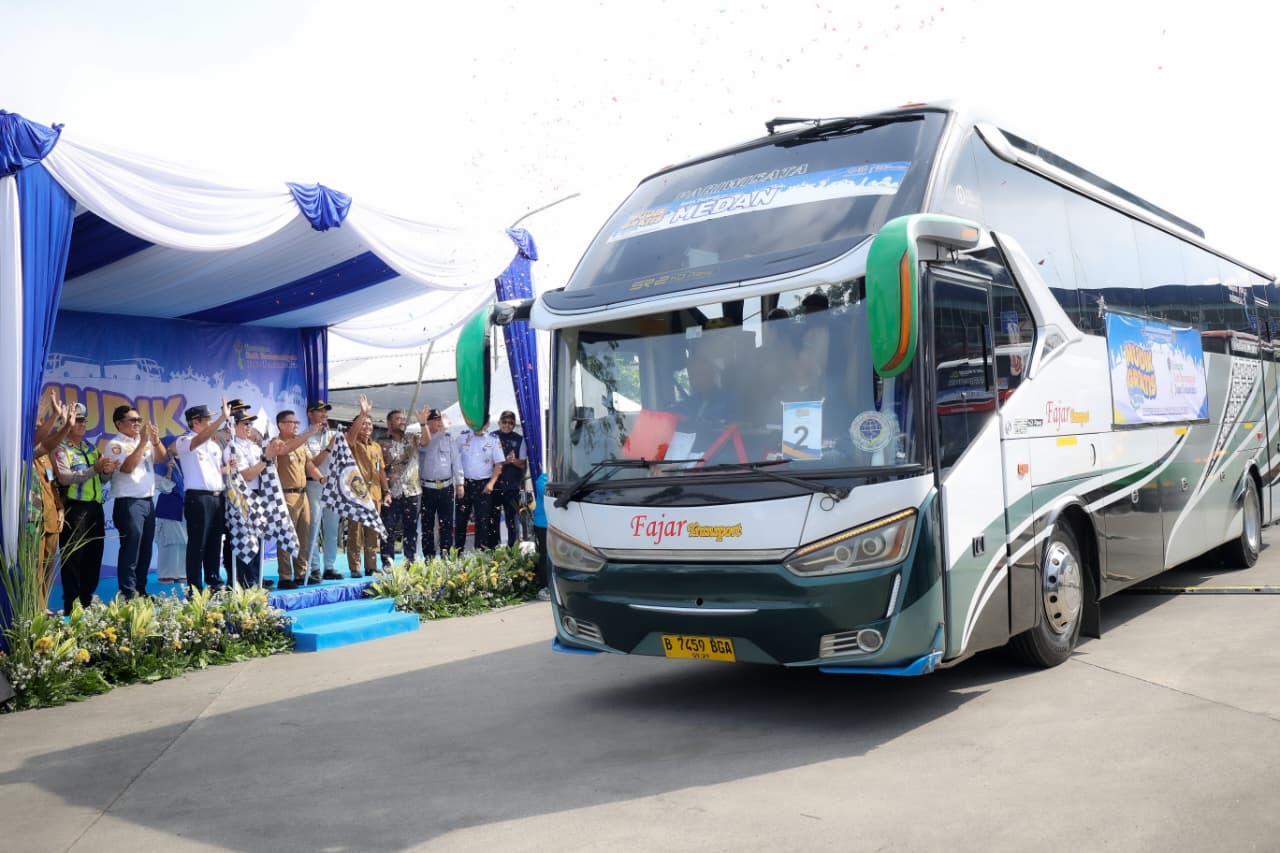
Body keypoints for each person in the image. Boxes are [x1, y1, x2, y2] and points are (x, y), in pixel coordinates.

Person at [53, 402, 116, 613]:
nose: (82, 425)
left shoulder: (91, 447)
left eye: (84, 421)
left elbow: (103, 479)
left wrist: (107, 470)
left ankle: (87, 601)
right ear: (67, 423)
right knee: (73, 558)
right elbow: (64, 477)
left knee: (94, 556)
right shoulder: (61, 448)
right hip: (75, 508)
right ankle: (71, 605)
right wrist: (93, 469)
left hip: (95, 509)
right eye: (77, 421)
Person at [99, 404, 167, 600]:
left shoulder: (144, 441)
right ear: (119, 423)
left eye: (139, 420)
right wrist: (142, 442)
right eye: (133, 420)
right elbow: (127, 468)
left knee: (145, 550)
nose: (138, 424)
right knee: (131, 549)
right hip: (128, 503)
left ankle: (141, 590)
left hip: (147, 501)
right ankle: (128, 593)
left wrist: (155, 440)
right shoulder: (115, 445)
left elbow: (161, 458)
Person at [173, 401, 231, 592]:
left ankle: (214, 581)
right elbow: (199, 440)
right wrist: (222, 419)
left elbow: (214, 470)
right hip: (198, 499)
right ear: (195, 422)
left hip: (217, 496)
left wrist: (230, 468)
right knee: (198, 544)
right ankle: (195, 587)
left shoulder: (214, 445)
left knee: (215, 542)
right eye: (208, 420)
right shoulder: (185, 441)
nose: (211, 423)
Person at [267, 409, 325, 589]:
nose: (296, 426)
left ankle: (301, 572)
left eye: (297, 423)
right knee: (285, 535)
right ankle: (285, 576)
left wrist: (322, 478)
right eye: (292, 423)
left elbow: (309, 465)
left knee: (304, 535)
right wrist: (309, 433)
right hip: (285, 494)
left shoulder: (300, 444)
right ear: (281, 425)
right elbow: (285, 450)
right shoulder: (276, 442)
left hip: (302, 494)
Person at [224, 409, 278, 587]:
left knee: (258, 539)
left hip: (257, 495)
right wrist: (265, 459)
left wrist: (270, 456)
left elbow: (267, 471)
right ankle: (244, 582)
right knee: (244, 541)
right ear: (234, 426)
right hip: (241, 498)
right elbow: (247, 475)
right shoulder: (232, 448)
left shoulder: (254, 447)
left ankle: (255, 578)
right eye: (244, 423)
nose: (249, 427)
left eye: (250, 424)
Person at [31, 390, 72, 607]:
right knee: (34, 567)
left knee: (47, 567)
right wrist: (56, 418)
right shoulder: (22, 450)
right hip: (32, 519)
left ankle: (43, 607)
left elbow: (53, 484)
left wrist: (60, 509)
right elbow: (43, 442)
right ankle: (33, 611)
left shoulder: (46, 456)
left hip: (51, 517)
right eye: (37, 426)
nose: (41, 429)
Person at [345, 395, 389, 577]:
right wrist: (363, 414)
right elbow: (351, 436)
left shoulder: (376, 446)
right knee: (355, 533)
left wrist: (386, 491)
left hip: (375, 493)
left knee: (373, 531)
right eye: (364, 423)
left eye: (369, 424)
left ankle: (371, 565)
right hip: (357, 494)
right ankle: (355, 567)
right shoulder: (353, 443)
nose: (367, 427)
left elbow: (381, 471)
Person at [303, 400, 344, 581]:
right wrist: (329, 447)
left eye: (325, 411)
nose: (324, 414)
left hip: (333, 486)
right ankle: (313, 568)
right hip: (313, 485)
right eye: (319, 411)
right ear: (310, 414)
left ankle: (329, 566)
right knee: (314, 528)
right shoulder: (304, 436)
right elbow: (311, 464)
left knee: (332, 528)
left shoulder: (334, 434)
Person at [378, 408, 422, 567]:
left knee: (411, 530)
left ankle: (410, 561)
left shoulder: (413, 438)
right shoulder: (381, 443)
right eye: (398, 419)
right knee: (387, 530)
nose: (402, 421)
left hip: (412, 491)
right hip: (391, 492)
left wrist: (423, 423)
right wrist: (385, 491)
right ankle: (387, 564)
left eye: (404, 419)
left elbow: (426, 442)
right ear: (389, 422)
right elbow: (380, 469)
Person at [416, 406, 461, 559]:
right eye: (435, 420)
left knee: (446, 524)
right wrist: (440, 431)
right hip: (428, 488)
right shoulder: (423, 438)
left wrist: (460, 483)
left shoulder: (449, 438)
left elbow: (456, 461)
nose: (438, 423)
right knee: (427, 525)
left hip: (447, 487)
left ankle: (446, 555)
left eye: (439, 419)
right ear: (427, 423)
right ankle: (428, 556)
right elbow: (428, 446)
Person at [454, 416, 503, 551]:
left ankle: (479, 554)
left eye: (484, 423)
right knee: (460, 520)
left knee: (483, 521)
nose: (481, 425)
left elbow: (499, 464)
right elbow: (452, 456)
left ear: (487, 424)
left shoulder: (493, 440)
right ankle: (457, 553)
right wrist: (458, 482)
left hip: (484, 485)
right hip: (465, 484)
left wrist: (492, 483)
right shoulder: (463, 437)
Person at [489, 410, 527, 548]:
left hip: (512, 487)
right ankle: (494, 550)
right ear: (499, 422)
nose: (507, 425)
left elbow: (522, 463)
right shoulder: (491, 437)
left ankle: (514, 551)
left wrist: (512, 461)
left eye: (511, 422)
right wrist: (503, 461)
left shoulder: (519, 439)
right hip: (494, 486)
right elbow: (487, 460)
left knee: (513, 522)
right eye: (504, 422)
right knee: (492, 521)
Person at [154, 434, 187, 583]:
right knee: (169, 541)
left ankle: (181, 572)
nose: (178, 446)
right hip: (168, 507)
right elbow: (164, 487)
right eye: (175, 444)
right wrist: (168, 471)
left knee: (183, 541)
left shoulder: (182, 463)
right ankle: (166, 573)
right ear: (166, 447)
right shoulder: (159, 464)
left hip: (183, 506)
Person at [531, 471, 550, 601]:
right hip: (543, 524)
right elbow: (549, 494)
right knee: (545, 555)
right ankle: (544, 587)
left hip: (558, 523)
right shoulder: (542, 480)